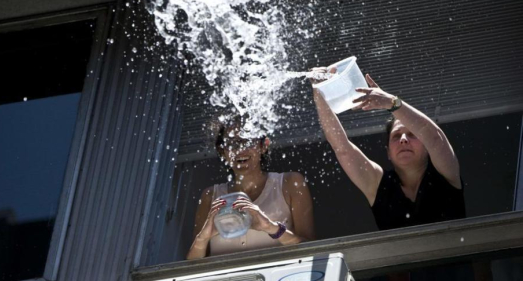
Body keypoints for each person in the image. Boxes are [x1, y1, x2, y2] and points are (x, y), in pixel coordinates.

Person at [310, 65, 470, 280]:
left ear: (425, 147)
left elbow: (436, 138)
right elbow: (342, 148)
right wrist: (319, 92)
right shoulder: (379, 184)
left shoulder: (445, 173)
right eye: (396, 136)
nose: (403, 139)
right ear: (389, 153)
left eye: (412, 135)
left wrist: (392, 103)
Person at [186, 116, 315, 259]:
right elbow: (191, 266)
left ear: (264, 145)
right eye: (231, 143)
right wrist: (202, 239)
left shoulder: (290, 183)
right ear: (222, 151)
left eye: (247, 140)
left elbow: (311, 249)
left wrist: (271, 228)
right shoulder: (210, 195)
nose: (240, 150)